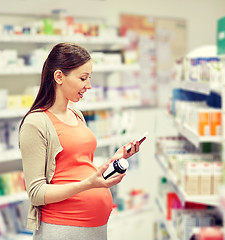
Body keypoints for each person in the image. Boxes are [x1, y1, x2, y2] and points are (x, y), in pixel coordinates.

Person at [19, 42, 141, 240]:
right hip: (63, 228)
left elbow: (78, 167)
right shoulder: (36, 123)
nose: (89, 85)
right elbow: (36, 193)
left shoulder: (76, 115)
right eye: (83, 78)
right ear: (59, 76)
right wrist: (87, 185)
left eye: (89, 78)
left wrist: (114, 160)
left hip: (95, 228)